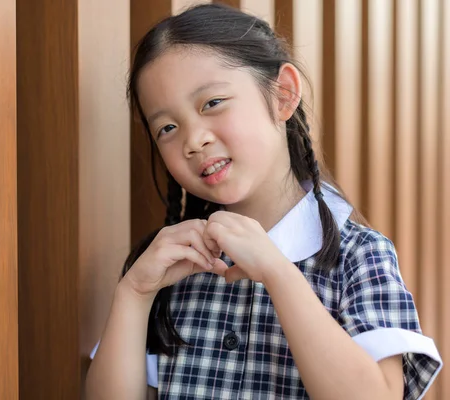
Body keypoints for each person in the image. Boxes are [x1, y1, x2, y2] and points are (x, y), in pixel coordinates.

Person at [85, 4, 442, 399]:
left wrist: (276, 271)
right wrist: (134, 294)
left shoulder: (359, 257)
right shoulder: (170, 269)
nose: (193, 140)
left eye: (212, 103)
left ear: (282, 94)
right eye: (167, 127)